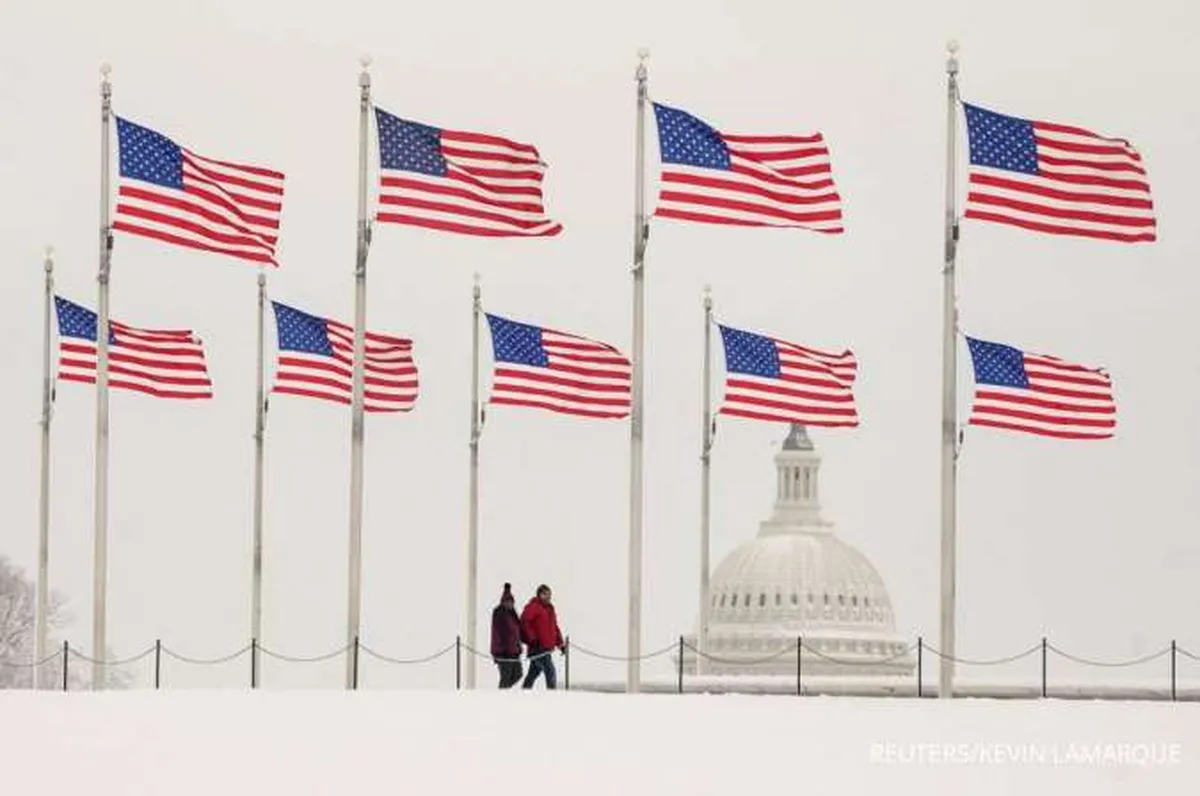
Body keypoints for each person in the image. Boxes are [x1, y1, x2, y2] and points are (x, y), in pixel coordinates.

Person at [520, 584, 564, 689]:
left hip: (546, 649)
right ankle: (552, 695)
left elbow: (554, 628)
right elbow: (524, 622)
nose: (548, 597)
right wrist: (532, 639)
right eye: (545, 594)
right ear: (539, 595)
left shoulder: (550, 609)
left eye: (549, 594)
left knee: (533, 673)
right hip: (537, 647)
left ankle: (524, 692)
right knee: (550, 671)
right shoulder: (533, 607)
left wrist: (560, 644)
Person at [490, 583, 523, 688]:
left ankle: (504, 692)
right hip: (503, 652)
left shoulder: (513, 614)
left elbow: (517, 632)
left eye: (511, 602)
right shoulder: (499, 613)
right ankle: (502, 695)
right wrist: (499, 651)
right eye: (507, 601)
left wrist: (518, 647)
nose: (510, 604)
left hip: (514, 652)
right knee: (506, 677)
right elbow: (500, 634)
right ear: (503, 602)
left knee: (518, 674)